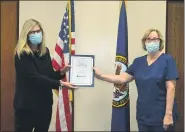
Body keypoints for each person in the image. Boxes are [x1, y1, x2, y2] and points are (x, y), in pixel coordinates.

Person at [93, 29, 179, 132]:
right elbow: (122, 78)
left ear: (160, 41)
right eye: (148, 39)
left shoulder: (168, 60)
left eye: (155, 39)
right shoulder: (138, 62)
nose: (151, 42)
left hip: (162, 117)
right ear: (144, 42)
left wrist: (168, 114)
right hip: (143, 116)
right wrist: (101, 75)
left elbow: (171, 88)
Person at [14, 19, 76, 132]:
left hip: (44, 104)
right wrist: (60, 83)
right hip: (27, 106)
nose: (36, 34)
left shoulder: (45, 51)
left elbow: (48, 75)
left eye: (38, 31)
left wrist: (61, 72)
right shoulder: (22, 54)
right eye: (32, 32)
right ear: (26, 35)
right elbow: (35, 78)